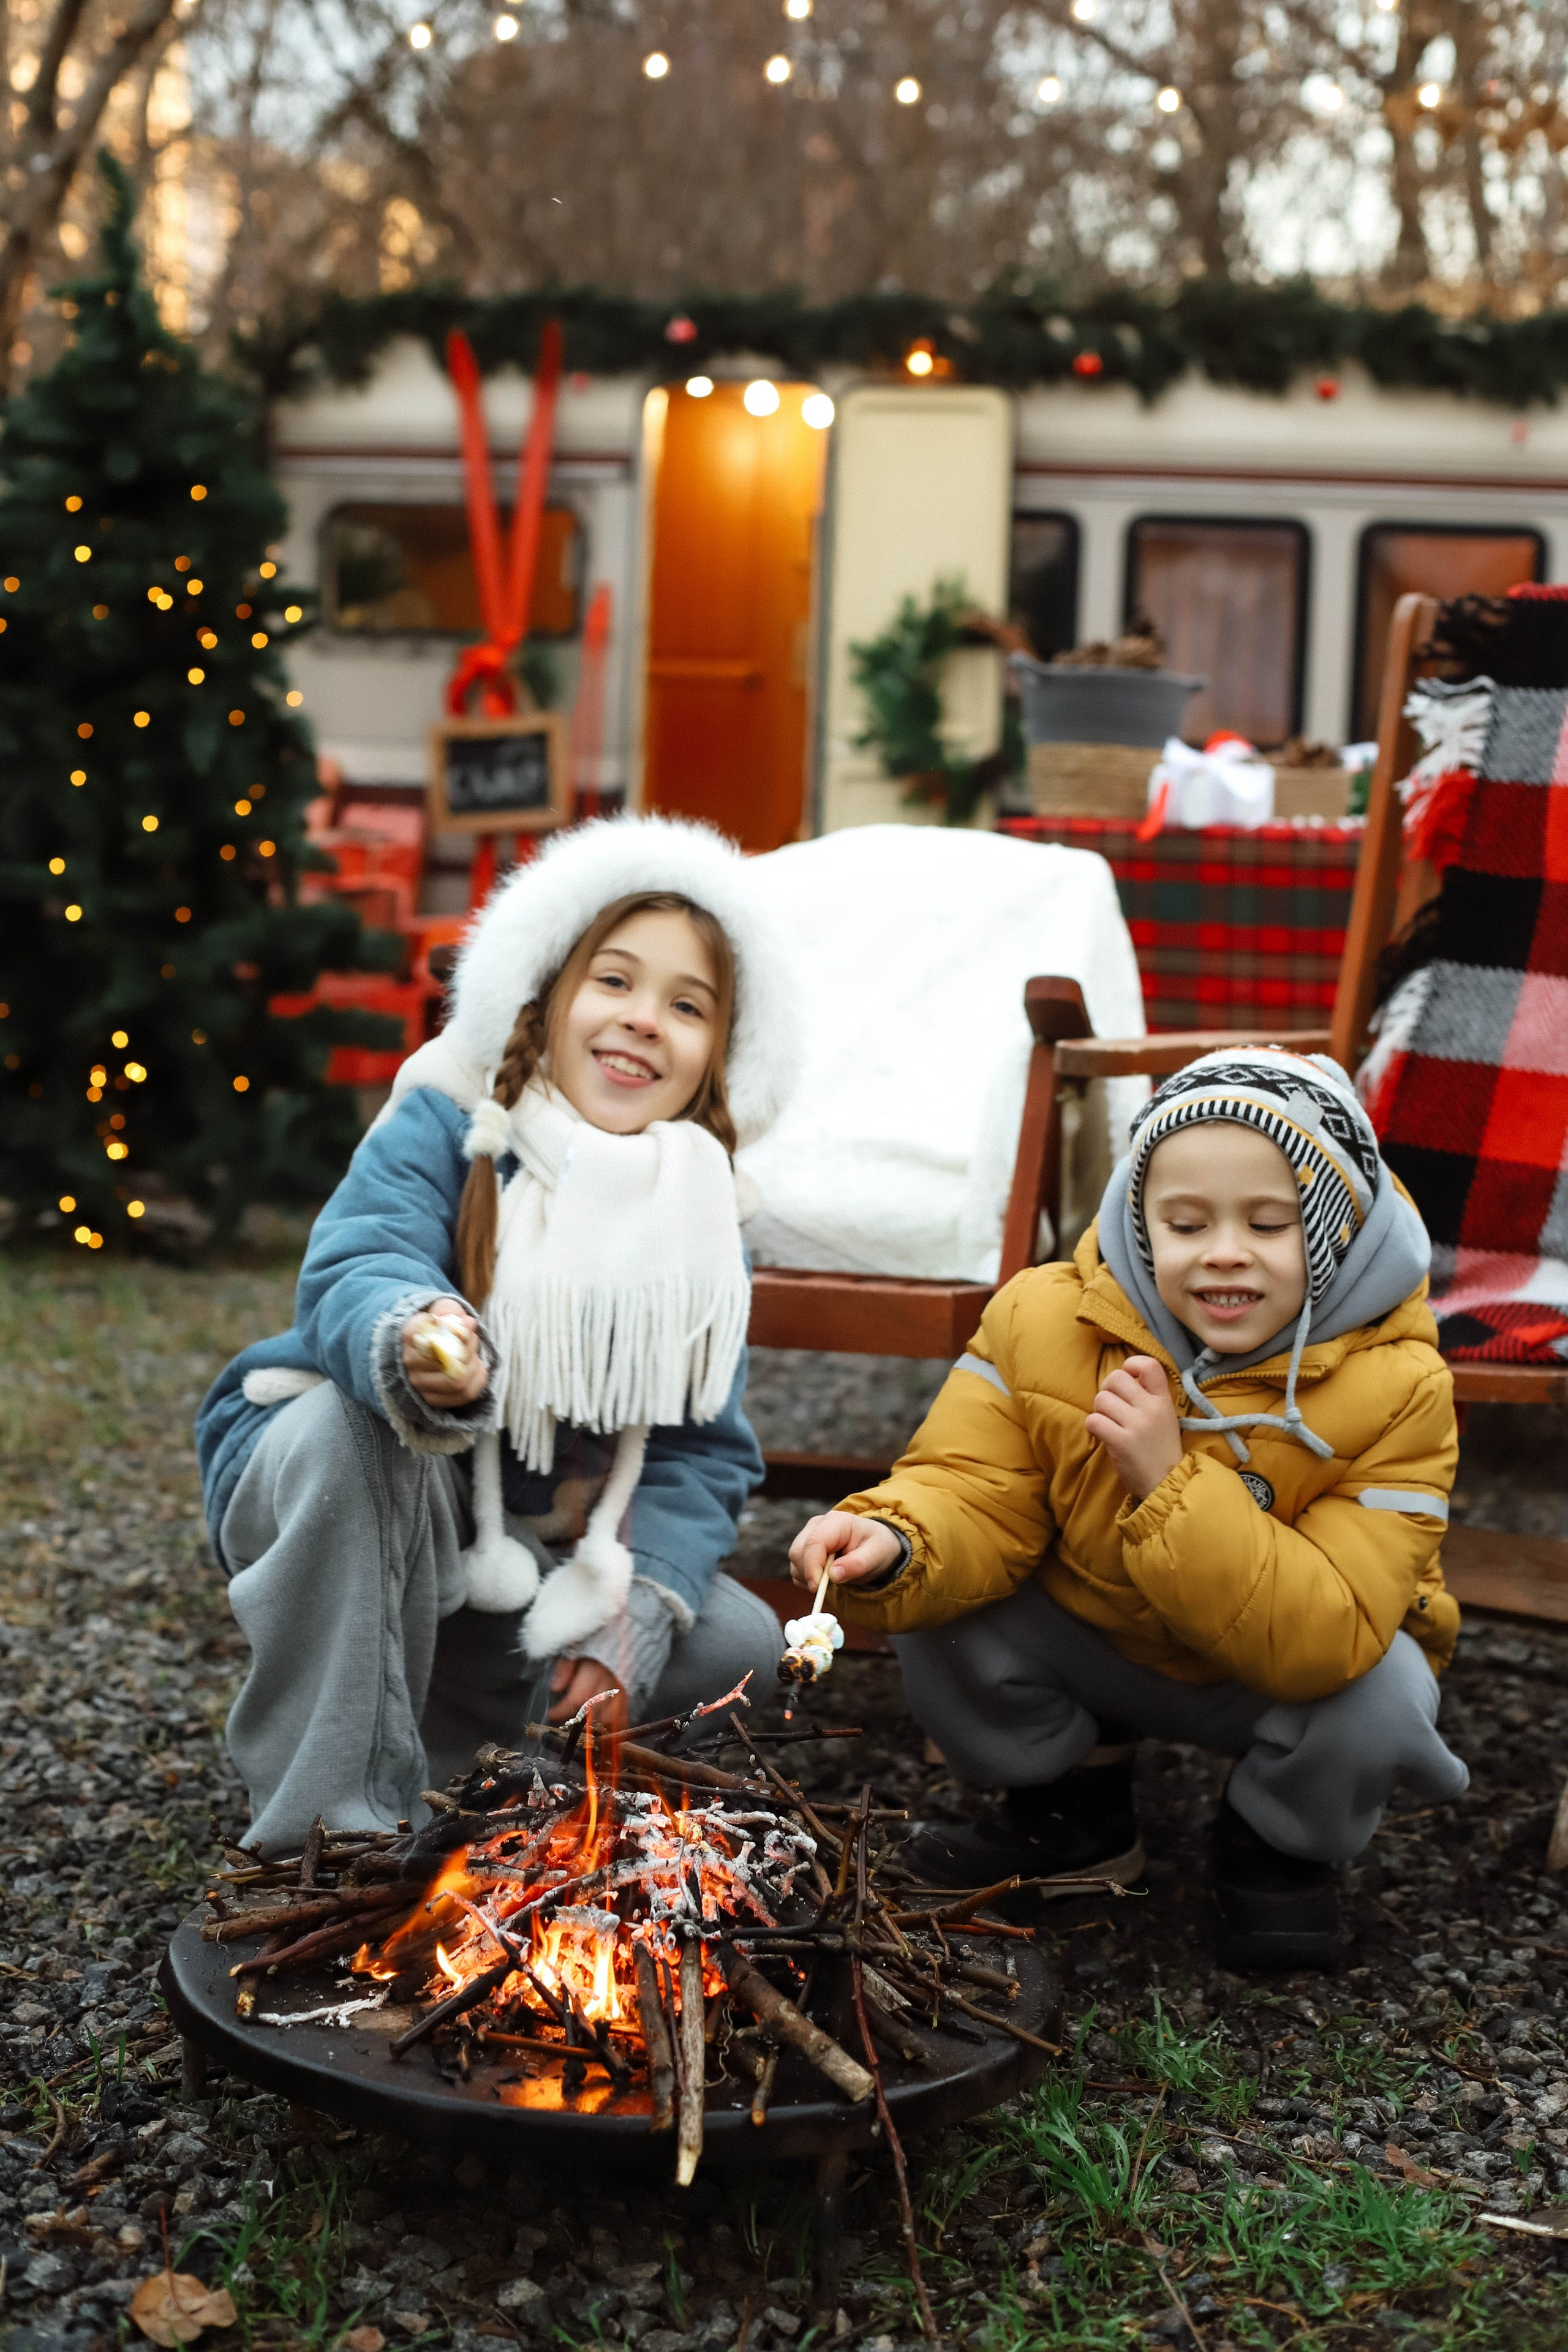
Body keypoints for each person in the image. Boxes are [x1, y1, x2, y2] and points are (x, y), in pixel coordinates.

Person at [197, 815, 802, 1850]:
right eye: (614, 981)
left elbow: (704, 1452)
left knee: (740, 1644)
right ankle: (326, 1826)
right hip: (370, 1502)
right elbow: (359, 1259)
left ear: (721, 1054)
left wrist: (634, 1611)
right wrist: (418, 1333)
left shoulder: (705, 1218)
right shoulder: (452, 1118)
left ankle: (480, 1766)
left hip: (522, 1547)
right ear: (549, 995)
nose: (644, 1019)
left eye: (687, 1005)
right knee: (356, 1432)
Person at [789, 1048, 1468, 1967]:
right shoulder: (1046, 1320)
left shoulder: (1400, 1386)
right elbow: (970, 1487)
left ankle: (1275, 1842)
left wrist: (1171, 1479)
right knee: (940, 1592)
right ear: (1138, 1223)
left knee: (1382, 1687)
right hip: (1100, 1633)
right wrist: (892, 1537)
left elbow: (1328, 1634)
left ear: (1338, 1230)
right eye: (1185, 1222)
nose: (1224, 1250)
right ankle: (1076, 1811)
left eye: (1273, 1223)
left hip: (1271, 1676)